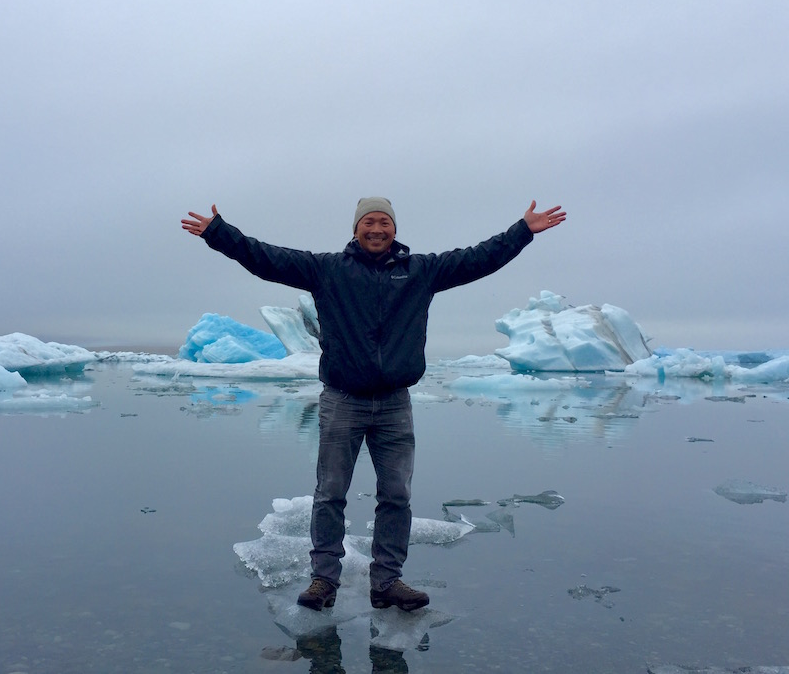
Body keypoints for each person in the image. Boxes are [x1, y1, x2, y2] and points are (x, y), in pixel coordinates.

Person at [181, 197, 566, 612]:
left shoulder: (421, 270)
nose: (377, 229)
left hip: (394, 404)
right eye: (369, 222)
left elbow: (478, 259)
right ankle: (323, 580)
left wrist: (522, 230)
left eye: (384, 222)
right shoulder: (327, 270)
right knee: (330, 493)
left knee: (396, 495)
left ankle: (387, 581)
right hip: (342, 400)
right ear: (356, 229)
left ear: (395, 230)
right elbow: (266, 258)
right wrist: (220, 233)